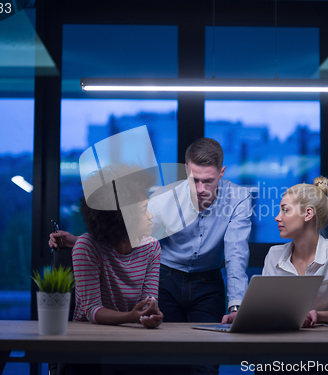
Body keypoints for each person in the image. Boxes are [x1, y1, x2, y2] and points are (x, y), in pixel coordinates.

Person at [50, 138, 252, 374]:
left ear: (222, 172)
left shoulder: (239, 198)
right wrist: (81, 241)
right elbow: (126, 225)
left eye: (208, 181)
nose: (200, 189)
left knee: (206, 364)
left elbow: (236, 254)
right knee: (167, 358)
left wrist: (237, 308)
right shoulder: (166, 196)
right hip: (167, 278)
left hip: (208, 283)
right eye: (194, 180)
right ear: (186, 170)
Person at [225, 176, 328, 328]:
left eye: (285, 210)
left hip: (324, 341)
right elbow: (265, 309)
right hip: (280, 340)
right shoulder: (274, 254)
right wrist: (241, 317)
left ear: (308, 214)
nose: (277, 217)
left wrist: (318, 316)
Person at [71, 165, 163, 328]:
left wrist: (151, 313)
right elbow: (91, 310)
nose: (151, 215)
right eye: (143, 210)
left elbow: (148, 302)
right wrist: (132, 317)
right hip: (87, 336)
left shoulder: (151, 247)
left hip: (132, 334)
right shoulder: (86, 247)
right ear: (122, 217)